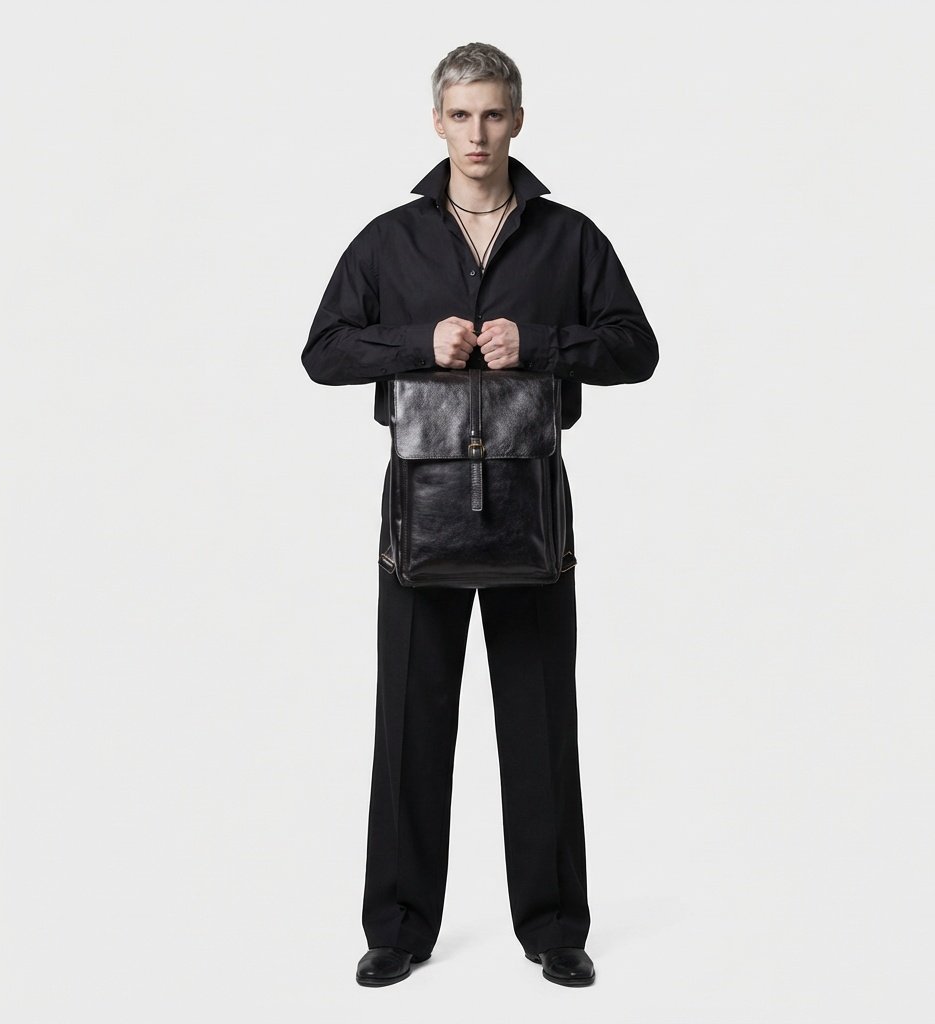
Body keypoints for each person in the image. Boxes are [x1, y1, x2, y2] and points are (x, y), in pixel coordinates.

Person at [301, 41, 658, 988]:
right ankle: (397, 927)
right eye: (461, 115)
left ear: (518, 120)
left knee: (540, 721)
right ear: (437, 122)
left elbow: (637, 347)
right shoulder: (389, 241)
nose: (477, 134)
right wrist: (417, 343)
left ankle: (555, 926)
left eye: (494, 114)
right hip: (420, 519)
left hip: (529, 514)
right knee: (410, 722)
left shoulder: (569, 238)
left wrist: (538, 343)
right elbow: (323, 351)